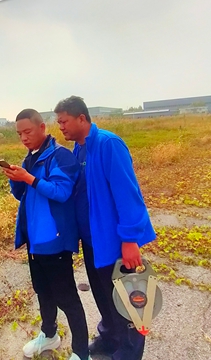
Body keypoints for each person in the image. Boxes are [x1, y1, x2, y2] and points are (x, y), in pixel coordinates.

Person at [54, 96, 157, 360]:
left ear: (81, 118)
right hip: (93, 240)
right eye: (58, 122)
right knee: (103, 294)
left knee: (125, 298)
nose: (61, 127)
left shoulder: (108, 144)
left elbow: (128, 195)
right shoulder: (79, 149)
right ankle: (110, 337)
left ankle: (129, 352)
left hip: (113, 241)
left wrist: (130, 239)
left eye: (64, 121)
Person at [2, 109, 90, 360]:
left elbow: (61, 192)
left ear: (42, 128)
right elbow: (22, 194)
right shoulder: (31, 157)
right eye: (19, 134)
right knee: (43, 291)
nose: (24, 138)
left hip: (55, 240)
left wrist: (29, 178)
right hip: (35, 240)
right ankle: (49, 334)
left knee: (67, 298)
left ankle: (82, 352)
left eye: (27, 132)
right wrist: (17, 179)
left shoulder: (61, 156)